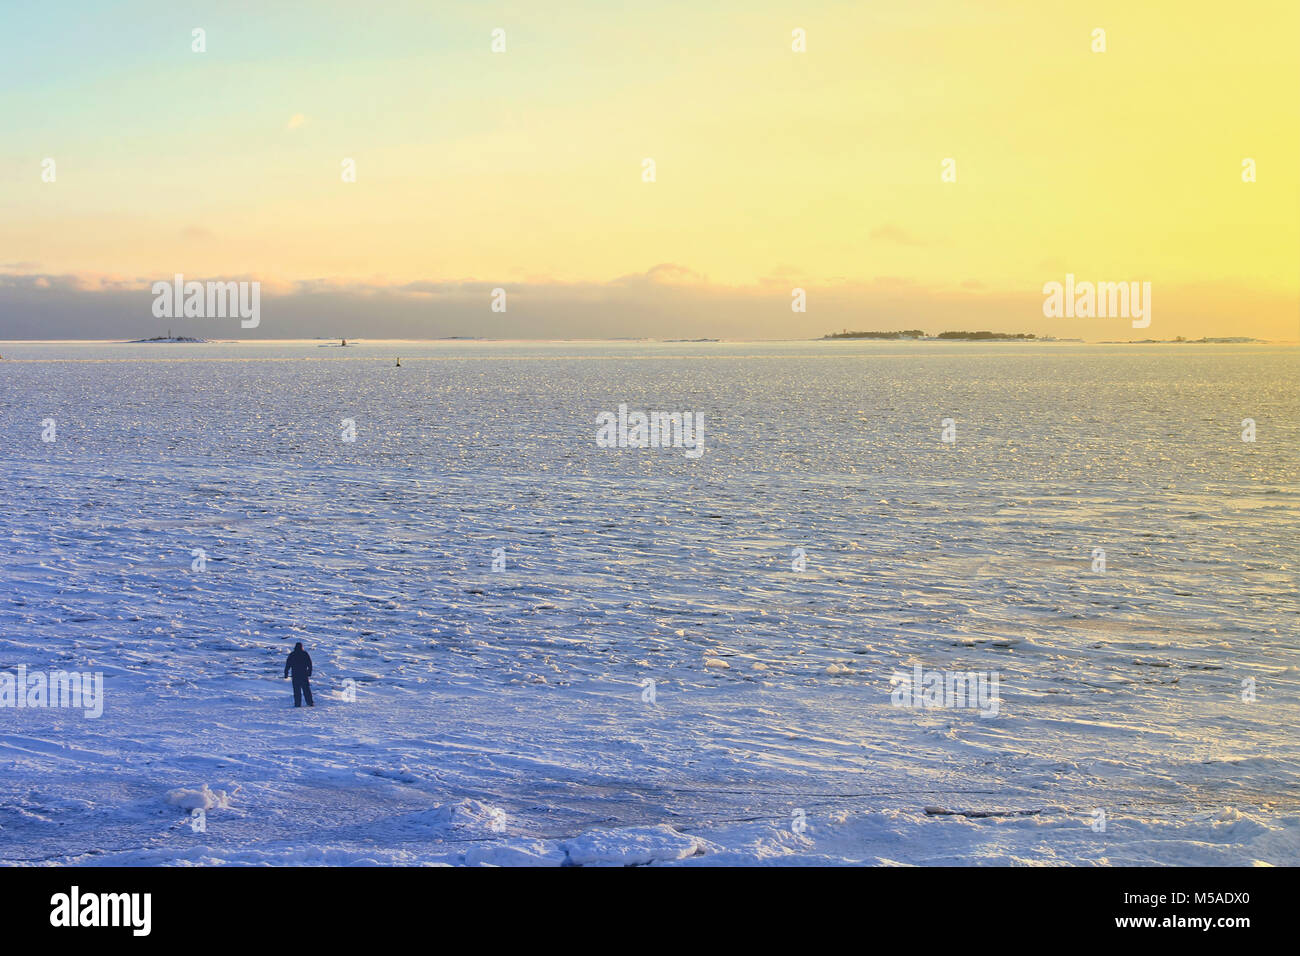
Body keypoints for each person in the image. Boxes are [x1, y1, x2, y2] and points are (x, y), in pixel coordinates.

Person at [284, 642, 314, 707]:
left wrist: (286, 673)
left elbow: (288, 665)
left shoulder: (292, 654)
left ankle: (297, 704)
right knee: (306, 690)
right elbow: (310, 664)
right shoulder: (305, 654)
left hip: (295, 675)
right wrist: (309, 672)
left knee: (296, 690)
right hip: (304, 675)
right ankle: (310, 703)